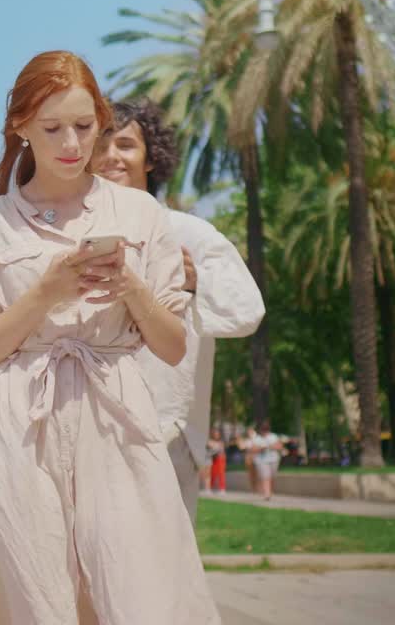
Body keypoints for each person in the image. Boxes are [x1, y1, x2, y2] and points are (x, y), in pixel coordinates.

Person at [0, 51, 219, 623]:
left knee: (136, 594)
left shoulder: (141, 214)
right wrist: (45, 292)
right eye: (52, 128)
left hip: (117, 420)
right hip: (19, 427)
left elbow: (172, 347)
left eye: (85, 125)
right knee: (35, 595)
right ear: (20, 129)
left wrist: (131, 288)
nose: (72, 142)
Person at [91, 97, 264, 522]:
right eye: (102, 145)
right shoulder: (73, 235)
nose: (112, 156)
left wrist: (195, 281)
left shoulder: (189, 233)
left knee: (162, 574)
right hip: (88, 430)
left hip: (167, 432)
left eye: (126, 145)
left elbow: (247, 310)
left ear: (151, 159)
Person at [251, 420, 283, 500]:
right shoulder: (257, 438)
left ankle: (270, 491)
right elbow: (253, 449)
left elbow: (280, 446)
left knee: (272, 477)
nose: (264, 431)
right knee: (265, 477)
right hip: (261, 461)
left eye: (266, 429)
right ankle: (267, 494)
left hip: (273, 460)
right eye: (263, 429)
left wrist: (272, 447)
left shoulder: (273, 436)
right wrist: (261, 449)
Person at [205, 430, 227, 495]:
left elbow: (219, 449)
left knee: (221, 473)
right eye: (214, 434)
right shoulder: (211, 441)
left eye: (217, 434)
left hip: (220, 458)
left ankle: (222, 488)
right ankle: (210, 488)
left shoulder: (221, 442)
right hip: (214, 458)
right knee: (213, 474)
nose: (216, 435)